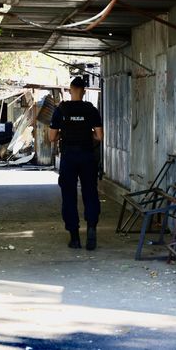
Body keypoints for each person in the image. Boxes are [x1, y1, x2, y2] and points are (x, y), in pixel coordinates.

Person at [49, 77, 103, 250]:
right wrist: (88, 137)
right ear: (84, 91)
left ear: (70, 90)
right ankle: (92, 230)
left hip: (69, 156)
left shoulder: (61, 110)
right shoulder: (91, 109)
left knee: (69, 196)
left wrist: (61, 136)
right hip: (87, 156)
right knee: (90, 193)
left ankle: (74, 238)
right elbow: (99, 136)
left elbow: (51, 137)